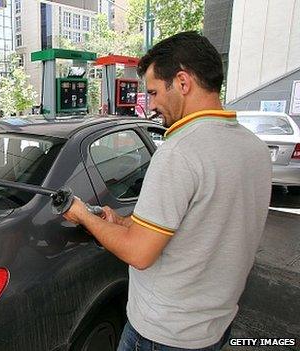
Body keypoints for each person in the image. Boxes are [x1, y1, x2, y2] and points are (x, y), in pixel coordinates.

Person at [63, 31, 271, 350]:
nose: (152, 104)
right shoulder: (254, 148)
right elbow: (201, 223)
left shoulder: (178, 152)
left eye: (154, 92)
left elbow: (139, 253)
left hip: (162, 333)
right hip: (214, 325)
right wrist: (119, 222)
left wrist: (83, 215)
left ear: (183, 82)